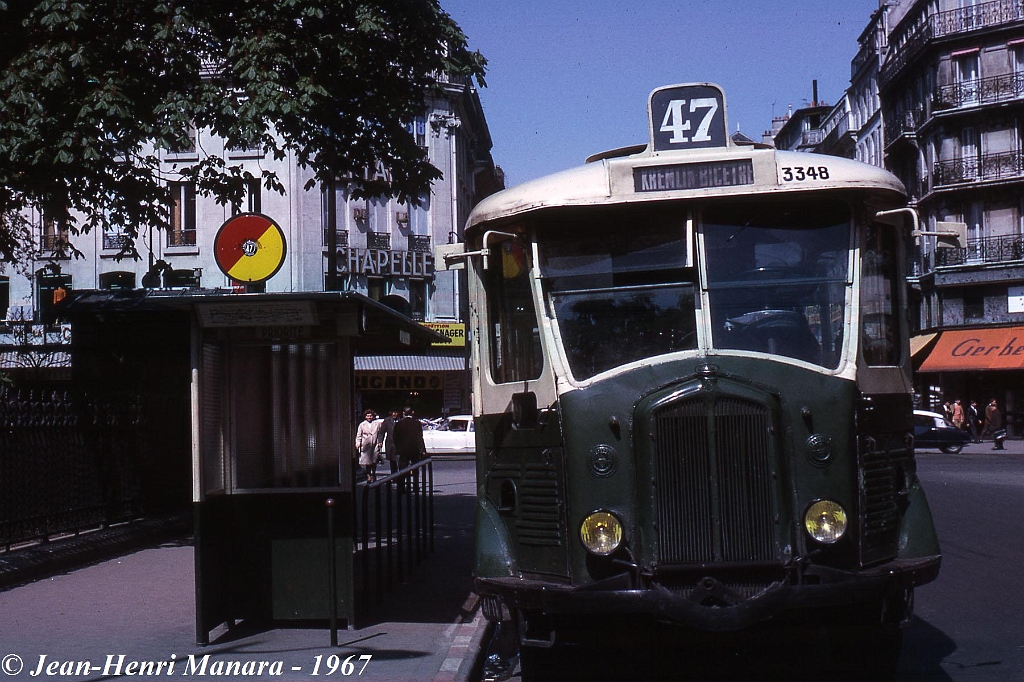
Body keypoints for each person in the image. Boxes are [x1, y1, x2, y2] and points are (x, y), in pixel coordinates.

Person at [355, 408, 381, 482]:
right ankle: (368, 475)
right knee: (367, 461)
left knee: (374, 460)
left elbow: (380, 434)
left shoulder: (377, 424)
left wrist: (380, 442)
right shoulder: (362, 425)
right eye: (368, 416)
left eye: (370, 416)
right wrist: (358, 443)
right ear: (365, 416)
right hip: (366, 445)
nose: (369, 417)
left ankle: (374, 474)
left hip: (375, 444)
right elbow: (359, 435)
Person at [375, 408, 401, 474]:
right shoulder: (387, 420)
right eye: (393, 412)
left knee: (400, 461)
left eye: (396, 412)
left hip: (399, 444)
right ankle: (394, 475)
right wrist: (380, 441)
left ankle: (400, 475)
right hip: (390, 444)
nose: (394, 414)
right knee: (392, 461)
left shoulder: (401, 420)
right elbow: (381, 432)